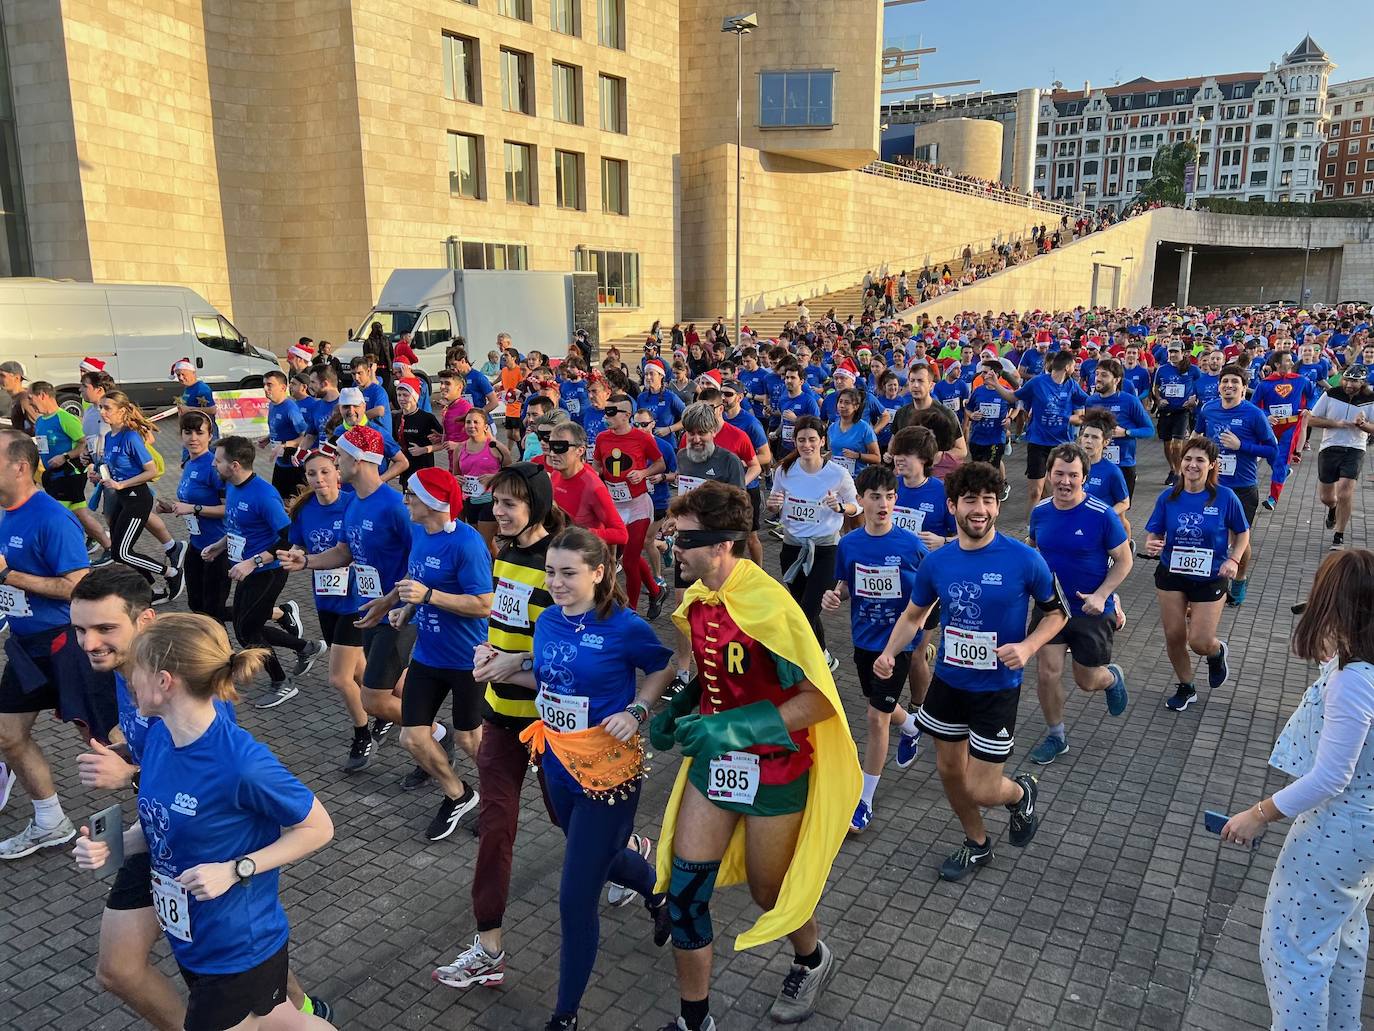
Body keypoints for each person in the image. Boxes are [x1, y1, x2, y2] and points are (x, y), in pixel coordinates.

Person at [69, 570, 332, 1029]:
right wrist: (114, 846)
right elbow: (156, 827)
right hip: (194, 936)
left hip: (239, 945)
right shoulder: (165, 740)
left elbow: (319, 826)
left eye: (140, 677)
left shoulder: (238, 761)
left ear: (166, 682)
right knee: (286, 1023)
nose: (130, 687)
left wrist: (236, 869)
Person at [651, 481, 861, 1031]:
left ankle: (811, 957)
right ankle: (694, 1020)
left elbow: (818, 701)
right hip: (716, 768)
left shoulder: (771, 607)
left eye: (687, 539)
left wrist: (734, 727)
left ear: (724, 545)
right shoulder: (697, 597)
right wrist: (682, 703)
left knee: (771, 892)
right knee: (685, 892)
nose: (675, 548)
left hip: (777, 770)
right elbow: (716, 672)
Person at [508, 527, 674, 1030]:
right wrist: (503, 667)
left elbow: (663, 667)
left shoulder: (623, 627)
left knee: (576, 894)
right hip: (558, 767)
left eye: (568, 573)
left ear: (598, 573)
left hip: (609, 775)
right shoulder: (548, 622)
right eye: (551, 572)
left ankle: (565, 1015)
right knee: (595, 856)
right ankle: (658, 891)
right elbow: (547, 678)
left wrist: (638, 710)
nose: (555, 583)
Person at [874, 461, 1063, 881]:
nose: (980, 509)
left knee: (980, 786)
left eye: (989, 501)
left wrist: (1029, 646)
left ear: (998, 507)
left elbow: (1056, 614)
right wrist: (889, 653)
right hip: (949, 683)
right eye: (971, 500)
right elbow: (913, 616)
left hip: (997, 689)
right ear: (953, 506)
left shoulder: (1024, 559)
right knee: (948, 772)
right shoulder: (937, 563)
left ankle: (1020, 793)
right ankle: (977, 844)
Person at [1221, 550, 1374, 1031]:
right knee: (1345, 937)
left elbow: (1331, 776)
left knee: (1293, 952)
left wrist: (1259, 813)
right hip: (1363, 836)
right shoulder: (1359, 667)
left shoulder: (1354, 680)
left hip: (1338, 826)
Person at [433, 464, 565, 990]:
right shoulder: (505, 554)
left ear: (536, 503)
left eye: (510, 503)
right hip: (500, 719)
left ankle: (639, 865)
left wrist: (519, 664)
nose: (498, 513)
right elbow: (506, 623)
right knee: (495, 831)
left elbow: (566, 648)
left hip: (551, 726)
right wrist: (491, 651)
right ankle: (488, 947)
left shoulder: (561, 561)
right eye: (496, 503)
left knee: (571, 824)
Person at [0, 428, 118, 859]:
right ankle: (50, 821)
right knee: (8, 736)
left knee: (105, 740)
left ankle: (177, 807)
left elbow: (76, 587)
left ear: (18, 466)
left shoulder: (51, 517)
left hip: (64, 644)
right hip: (25, 646)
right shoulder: (3, 512)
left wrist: (6, 575)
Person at [279, 426, 412, 752]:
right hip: (366, 611)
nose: (336, 462)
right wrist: (306, 562)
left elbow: (419, 562)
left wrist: (392, 600)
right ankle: (425, 740)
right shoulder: (355, 506)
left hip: (395, 616)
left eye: (339, 456)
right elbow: (344, 552)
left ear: (361, 459)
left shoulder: (394, 505)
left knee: (368, 694)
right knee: (383, 686)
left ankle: (435, 733)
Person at [822, 465, 926, 832]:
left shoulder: (911, 546)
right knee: (876, 702)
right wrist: (834, 595)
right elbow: (846, 585)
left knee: (875, 718)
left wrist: (919, 632)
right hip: (863, 640)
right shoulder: (849, 544)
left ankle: (864, 800)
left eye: (890, 496)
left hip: (896, 645)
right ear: (860, 501)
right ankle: (913, 726)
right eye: (876, 497)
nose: (884, 504)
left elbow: (928, 596)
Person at [390, 468, 490, 839]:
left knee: (468, 740)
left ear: (433, 503)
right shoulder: (420, 532)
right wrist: (408, 608)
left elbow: (483, 604)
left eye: (411, 496)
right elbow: (421, 584)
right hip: (427, 657)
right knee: (411, 737)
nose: (405, 501)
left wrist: (428, 597)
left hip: (466, 660)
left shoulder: (467, 544)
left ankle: (499, 797)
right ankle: (458, 794)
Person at [1025, 445, 1133, 766]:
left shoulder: (1102, 515)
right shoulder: (1040, 512)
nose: (1065, 481)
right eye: (1059, 473)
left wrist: (1104, 595)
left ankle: (1111, 678)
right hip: (1051, 607)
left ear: (1085, 477)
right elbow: (1034, 549)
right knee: (1047, 673)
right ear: (1049, 474)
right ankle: (1056, 736)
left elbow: (1124, 561)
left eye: (1073, 475)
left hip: (1090, 608)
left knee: (1086, 681)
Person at [204, 435, 325, 709]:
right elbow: (239, 527)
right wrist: (219, 545)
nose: (213, 464)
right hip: (246, 569)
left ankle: (282, 683)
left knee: (247, 631)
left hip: (267, 571)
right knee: (248, 627)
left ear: (234, 465)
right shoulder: (233, 486)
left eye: (218, 460)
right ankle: (306, 647)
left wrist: (253, 562)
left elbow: (289, 538)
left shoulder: (263, 495)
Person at [1143, 435, 1249, 712]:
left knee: (1199, 641)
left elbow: (1242, 532)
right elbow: (1154, 532)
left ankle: (1216, 652)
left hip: (1210, 576)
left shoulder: (1225, 497)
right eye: (1187, 459)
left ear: (1212, 465)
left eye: (1200, 460)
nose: (1192, 465)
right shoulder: (1168, 497)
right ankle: (1186, 685)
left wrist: (1234, 560)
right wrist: (1152, 542)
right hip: (1171, 572)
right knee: (1174, 635)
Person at [284, 447, 370, 771]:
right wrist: (293, 555)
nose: (318, 479)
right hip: (325, 600)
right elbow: (299, 544)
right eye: (311, 474)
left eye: (324, 472)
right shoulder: (305, 510)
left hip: (356, 600)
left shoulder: (353, 505)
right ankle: (392, 709)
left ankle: (363, 733)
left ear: (337, 472)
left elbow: (354, 549)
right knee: (359, 668)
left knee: (338, 677)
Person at [767, 416, 858, 669]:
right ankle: (824, 656)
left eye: (812, 440)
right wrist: (772, 506)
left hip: (826, 549)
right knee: (800, 607)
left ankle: (799, 664)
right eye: (801, 440)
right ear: (795, 442)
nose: (807, 445)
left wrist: (840, 506)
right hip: (792, 548)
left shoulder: (837, 474)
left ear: (822, 441)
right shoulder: (784, 471)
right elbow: (773, 505)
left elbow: (856, 505)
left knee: (806, 611)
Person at [1194, 364, 1276, 607]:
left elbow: (1272, 448)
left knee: (1240, 537)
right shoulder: (1208, 409)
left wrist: (1242, 446)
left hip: (1242, 485)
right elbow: (1197, 436)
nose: (1229, 386)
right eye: (1225, 381)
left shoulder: (1253, 414)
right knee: (1206, 532)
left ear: (1243, 388)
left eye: (1235, 383)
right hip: (1211, 483)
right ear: (1219, 386)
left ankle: (1239, 578)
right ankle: (1209, 578)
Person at [94, 391, 184, 602]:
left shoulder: (131, 436)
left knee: (123, 552)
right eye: (101, 407)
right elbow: (114, 468)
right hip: (121, 497)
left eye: (107, 408)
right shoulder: (108, 436)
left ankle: (172, 573)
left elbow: (150, 471)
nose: (102, 412)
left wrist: (121, 484)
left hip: (137, 498)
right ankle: (148, 588)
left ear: (122, 411)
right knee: (118, 551)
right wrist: (98, 475)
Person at [593, 393, 667, 617]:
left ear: (627, 415)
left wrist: (644, 472)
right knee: (628, 559)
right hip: (613, 506)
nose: (607, 415)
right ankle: (655, 592)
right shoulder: (602, 438)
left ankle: (631, 612)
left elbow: (660, 463)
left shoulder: (642, 438)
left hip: (637, 506)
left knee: (631, 560)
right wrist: (594, 477)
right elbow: (597, 463)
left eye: (612, 411)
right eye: (606, 410)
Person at [158, 411, 229, 623]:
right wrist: (171, 508)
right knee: (196, 605)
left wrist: (194, 508)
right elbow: (190, 504)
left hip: (218, 547)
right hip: (196, 545)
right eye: (188, 432)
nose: (193, 438)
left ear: (210, 435)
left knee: (212, 612)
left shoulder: (214, 466)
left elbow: (228, 510)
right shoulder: (188, 464)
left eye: (199, 432)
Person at [29, 380, 110, 555]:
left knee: (53, 516)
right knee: (81, 515)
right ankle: (110, 547)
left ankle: (65, 553)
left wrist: (64, 456)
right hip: (53, 476)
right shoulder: (41, 420)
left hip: (70, 475)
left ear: (42, 395)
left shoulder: (64, 417)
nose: (29, 403)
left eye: (31, 398)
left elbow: (84, 443)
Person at [1306, 364, 1374, 550]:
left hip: (1355, 448)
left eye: (1354, 381)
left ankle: (1339, 534)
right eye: (1347, 379)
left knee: (1345, 491)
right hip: (1330, 447)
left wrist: (1363, 425)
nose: (1349, 384)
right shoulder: (1331, 394)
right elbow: (1311, 419)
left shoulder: (1370, 399)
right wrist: (1336, 423)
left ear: (1363, 382)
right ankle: (1332, 509)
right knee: (1327, 497)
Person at [542, 421, 628, 549]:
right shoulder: (556, 473)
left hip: (581, 557)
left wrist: (579, 533)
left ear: (580, 450)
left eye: (560, 447)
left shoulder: (593, 487)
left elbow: (621, 534)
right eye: (552, 446)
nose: (553, 454)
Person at [1251, 351, 1317, 511]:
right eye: (1287, 360)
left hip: (1291, 426)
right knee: (1270, 456)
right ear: (1277, 364)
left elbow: (1313, 395)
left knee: (1281, 459)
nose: (1292, 361)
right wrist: (1266, 416)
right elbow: (1253, 405)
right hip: (1271, 427)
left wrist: (1308, 408)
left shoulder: (1301, 380)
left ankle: (1273, 498)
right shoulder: (1265, 384)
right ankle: (1285, 471)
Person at [1081, 357, 1154, 500]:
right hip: (1096, 464)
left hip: (1123, 465)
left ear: (1116, 380)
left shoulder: (1130, 401)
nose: (1098, 379)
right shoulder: (1091, 401)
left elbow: (1149, 430)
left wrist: (1126, 432)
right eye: (1097, 374)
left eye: (1104, 375)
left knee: (1120, 511)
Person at [456, 408, 509, 552]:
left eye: (476, 422)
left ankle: (482, 573)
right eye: (468, 422)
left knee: (481, 545)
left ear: (485, 426)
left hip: (490, 500)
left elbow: (511, 474)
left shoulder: (496, 447)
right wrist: (456, 479)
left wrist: (494, 477)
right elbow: (455, 474)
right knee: (487, 543)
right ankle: (499, 570)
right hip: (470, 500)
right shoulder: (460, 448)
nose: (471, 425)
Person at [261, 370, 309, 500]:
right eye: (264, 384)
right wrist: (268, 438)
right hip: (279, 463)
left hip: (294, 466)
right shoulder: (272, 405)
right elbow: (280, 427)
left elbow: (306, 436)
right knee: (278, 500)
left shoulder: (290, 408)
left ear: (283, 387)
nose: (265, 388)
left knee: (295, 503)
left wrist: (285, 445)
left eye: (270, 384)